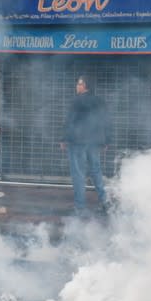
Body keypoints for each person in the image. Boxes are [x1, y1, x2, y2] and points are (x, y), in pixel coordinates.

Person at [60, 75, 112, 216]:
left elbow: (70, 121)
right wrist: (107, 140)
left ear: (85, 86)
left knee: (78, 173)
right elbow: (106, 120)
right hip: (94, 142)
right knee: (96, 171)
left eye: (79, 84)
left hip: (77, 142)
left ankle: (80, 207)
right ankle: (105, 202)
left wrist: (64, 139)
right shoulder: (100, 101)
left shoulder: (77, 101)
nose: (77, 86)